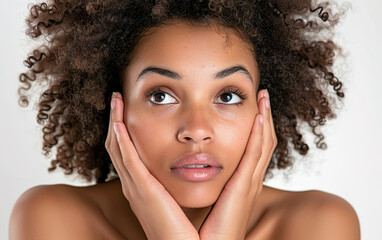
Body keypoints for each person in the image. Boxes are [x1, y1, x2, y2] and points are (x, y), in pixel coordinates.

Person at [9, 0, 360, 239]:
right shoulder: (53, 219)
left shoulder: (319, 224)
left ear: (263, 109)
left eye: (227, 96)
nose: (196, 130)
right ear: (115, 106)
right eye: (160, 96)